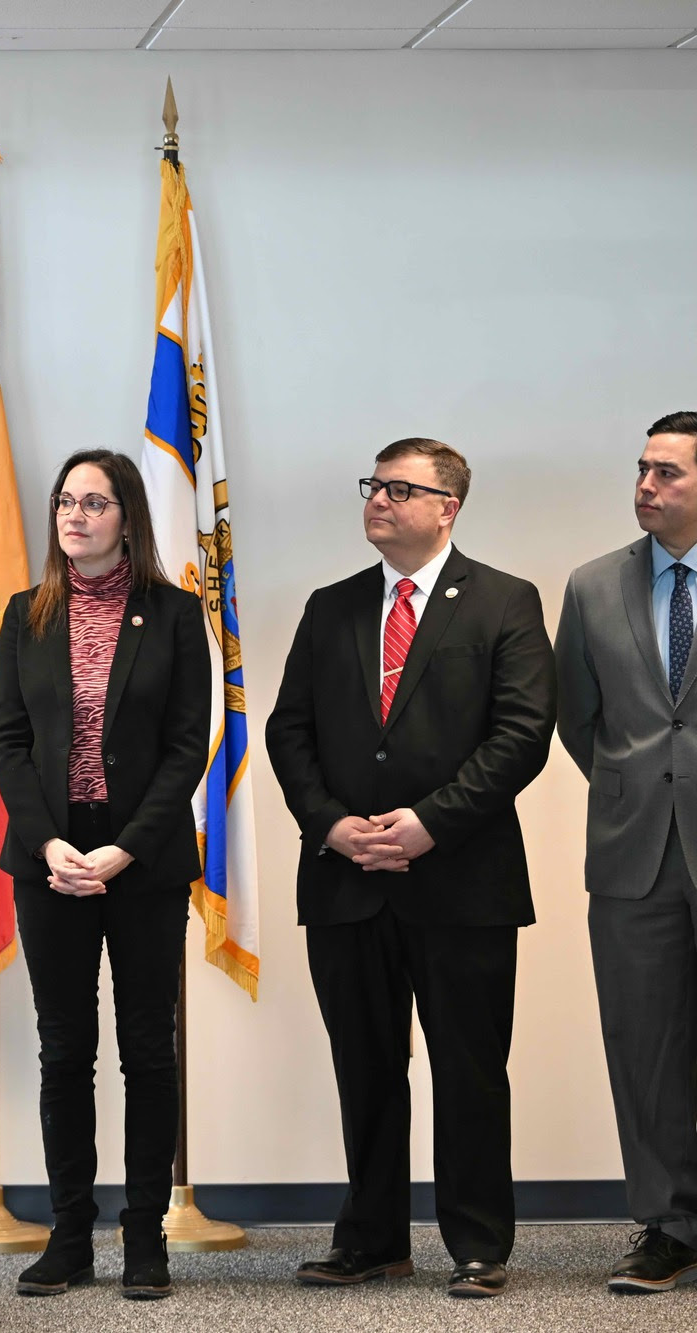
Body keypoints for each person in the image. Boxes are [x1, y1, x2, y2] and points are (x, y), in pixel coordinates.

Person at [266, 438, 554, 1300]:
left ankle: (477, 1243)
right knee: (365, 1064)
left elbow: (521, 734)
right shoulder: (332, 608)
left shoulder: (504, 601)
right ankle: (372, 1238)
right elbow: (289, 732)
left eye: (401, 488)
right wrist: (333, 825)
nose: (380, 500)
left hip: (462, 881)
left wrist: (429, 823)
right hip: (346, 879)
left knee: (468, 1066)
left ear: (447, 507)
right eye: (375, 486)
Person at [0, 450, 208, 1301]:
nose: (75, 515)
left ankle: (144, 1236)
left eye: (95, 502)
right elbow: (8, 740)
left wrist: (127, 848)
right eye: (65, 501)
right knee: (63, 1049)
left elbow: (190, 743)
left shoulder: (176, 613)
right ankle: (70, 1233)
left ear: (128, 518)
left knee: (149, 1048)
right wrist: (47, 845)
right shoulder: (25, 614)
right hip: (50, 860)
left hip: (142, 859)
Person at [555, 411, 697, 1294]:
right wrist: (634, 785)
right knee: (644, 1042)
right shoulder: (592, 585)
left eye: (667, 474)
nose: (645, 485)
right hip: (633, 850)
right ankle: (670, 1224)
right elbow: (579, 716)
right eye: (642, 470)